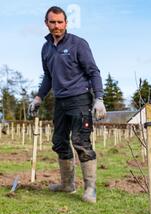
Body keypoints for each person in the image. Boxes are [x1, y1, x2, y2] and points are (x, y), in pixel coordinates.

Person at [28, 6, 106, 203]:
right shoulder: (46, 48)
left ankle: (90, 188)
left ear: (66, 23)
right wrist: (39, 97)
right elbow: (48, 76)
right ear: (46, 23)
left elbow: (93, 72)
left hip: (80, 99)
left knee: (81, 142)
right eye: (53, 22)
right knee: (59, 141)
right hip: (60, 102)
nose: (57, 26)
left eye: (60, 22)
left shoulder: (78, 44)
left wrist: (99, 99)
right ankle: (67, 185)